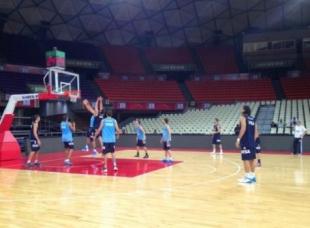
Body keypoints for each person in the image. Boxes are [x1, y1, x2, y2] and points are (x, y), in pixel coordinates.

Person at [235, 105, 259, 184]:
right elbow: (256, 133)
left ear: (244, 110)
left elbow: (243, 128)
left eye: (241, 108)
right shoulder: (253, 118)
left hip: (245, 141)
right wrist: (253, 141)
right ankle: (252, 177)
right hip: (252, 142)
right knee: (252, 158)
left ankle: (248, 177)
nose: (240, 109)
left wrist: (238, 139)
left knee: (245, 159)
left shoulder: (242, 117)